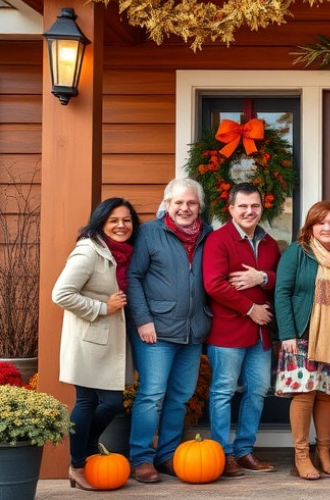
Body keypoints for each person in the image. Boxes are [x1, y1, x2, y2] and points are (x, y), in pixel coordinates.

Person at [126, 178, 213, 483]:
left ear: (199, 206)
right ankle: (140, 458)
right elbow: (133, 278)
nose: (184, 208)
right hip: (156, 331)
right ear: (166, 204)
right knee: (152, 395)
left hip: (193, 330)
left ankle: (166, 455)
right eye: (178, 202)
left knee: (180, 397)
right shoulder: (149, 234)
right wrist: (142, 319)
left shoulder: (208, 235)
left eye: (191, 203)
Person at [53, 198, 140, 491]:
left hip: (107, 340)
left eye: (126, 220)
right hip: (89, 338)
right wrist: (104, 307)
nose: (121, 226)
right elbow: (61, 294)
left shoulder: (122, 253)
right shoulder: (88, 251)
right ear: (101, 222)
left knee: (107, 403)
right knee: (95, 402)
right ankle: (79, 463)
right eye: (114, 220)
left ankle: (83, 454)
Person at [274, 200, 330, 480]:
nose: (326, 227)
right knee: (305, 393)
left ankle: (323, 452)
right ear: (311, 226)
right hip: (301, 334)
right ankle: (301, 454)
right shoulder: (297, 253)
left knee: (326, 394)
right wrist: (286, 333)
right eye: (320, 222)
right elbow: (282, 293)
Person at [202, 183, 279, 477]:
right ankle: (223, 453)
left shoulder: (271, 243)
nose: (250, 211)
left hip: (260, 337)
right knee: (222, 392)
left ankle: (245, 450)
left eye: (255, 206)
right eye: (243, 206)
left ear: (262, 208)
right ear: (231, 209)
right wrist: (250, 308)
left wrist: (262, 277)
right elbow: (214, 284)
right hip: (227, 333)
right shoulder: (219, 240)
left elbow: (279, 280)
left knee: (258, 390)